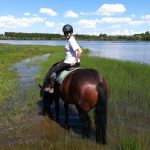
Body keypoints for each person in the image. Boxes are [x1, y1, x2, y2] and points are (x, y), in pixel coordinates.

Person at [45, 24, 82, 93]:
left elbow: (80, 51)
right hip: (72, 61)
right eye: (65, 33)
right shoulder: (71, 39)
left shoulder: (71, 40)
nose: (66, 34)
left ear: (70, 32)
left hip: (69, 62)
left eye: (67, 32)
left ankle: (51, 88)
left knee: (53, 70)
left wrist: (74, 61)